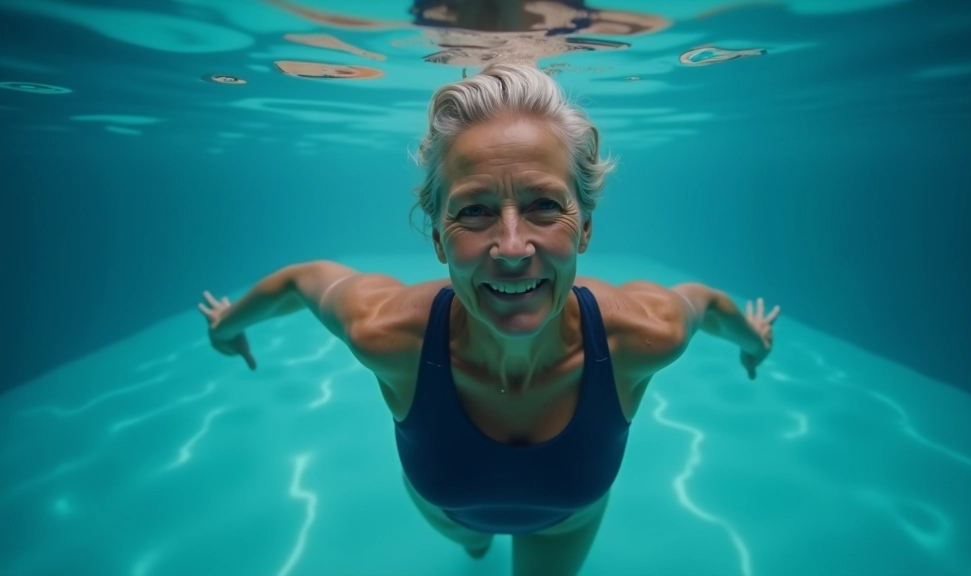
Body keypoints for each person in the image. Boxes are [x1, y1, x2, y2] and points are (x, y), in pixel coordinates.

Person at [197, 61, 780, 576]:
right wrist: (227, 325)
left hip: (566, 523)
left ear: (586, 228)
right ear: (438, 241)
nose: (511, 246)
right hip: (450, 515)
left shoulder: (643, 336)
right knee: (473, 548)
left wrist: (752, 340)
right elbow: (304, 280)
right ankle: (474, 548)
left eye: (544, 205)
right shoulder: (387, 335)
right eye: (474, 210)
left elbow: (702, 302)